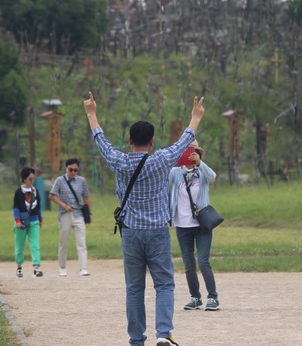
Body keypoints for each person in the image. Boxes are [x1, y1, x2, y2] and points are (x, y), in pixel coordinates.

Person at [84, 91, 205, 346]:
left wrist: (91, 114)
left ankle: (136, 339)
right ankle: (163, 334)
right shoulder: (161, 160)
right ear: (152, 141)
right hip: (157, 231)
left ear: (130, 141)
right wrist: (195, 117)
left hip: (130, 233)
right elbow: (184, 141)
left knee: (134, 289)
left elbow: (101, 141)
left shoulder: (119, 161)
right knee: (164, 285)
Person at [168, 140, 219, 311]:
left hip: (202, 224)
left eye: (192, 150)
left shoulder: (202, 172)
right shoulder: (175, 172)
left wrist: (199, 163)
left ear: (197, 152)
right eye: (186, 151)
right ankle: (195, 297)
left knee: (203, 262)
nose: (189, 153)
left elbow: (213, 177)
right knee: (188, 264)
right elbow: (162, 180)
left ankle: (213, 297)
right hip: (182, 226)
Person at [49, 158, 92, 277]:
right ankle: (62, 267)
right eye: (71, 170)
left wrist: (90, 213)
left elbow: (86, 196)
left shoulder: (81, 181)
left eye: (75, 170)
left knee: (81, 242)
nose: (73, 172)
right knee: (64, 241)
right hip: (65, 214)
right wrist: (64, 205)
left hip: (79, 214)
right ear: (66, 168)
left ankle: (83, 268)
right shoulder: (59, 180)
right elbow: (52, 196)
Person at [13, 167, 43, 278]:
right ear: (24, 179)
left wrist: (40, 219)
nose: (32, 181)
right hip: (21, 222)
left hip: (34, 221)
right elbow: (16, 208)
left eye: (33, 179)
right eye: (30, 179)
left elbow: (38, 206)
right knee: (19, 245)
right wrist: (17, 221)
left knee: (35, 245)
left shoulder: (35, 191)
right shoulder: (19, 192)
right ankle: (19, 267)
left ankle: (36, 267)